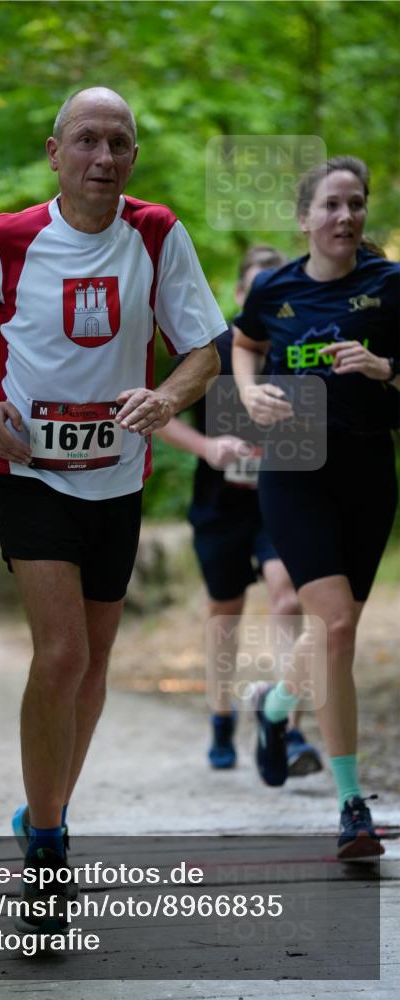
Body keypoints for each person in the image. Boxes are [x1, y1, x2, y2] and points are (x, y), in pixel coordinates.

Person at [0, 87, 225, 923]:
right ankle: (51, 845)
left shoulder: (158, 234)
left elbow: (202, 348)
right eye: (87, 141)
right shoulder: (10, 237)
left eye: (119, 143)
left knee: (93, 669)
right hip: (28, 474)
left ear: (133, 155)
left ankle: (40, 811)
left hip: (117, 478)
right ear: (54, 151)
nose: (103, 158)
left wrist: (167, 398)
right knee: (59, 657)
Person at [232, 156, 399, 859]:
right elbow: (242, 344)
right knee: (332, 625)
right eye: (330, 205)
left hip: (365, 466)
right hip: (293, 464)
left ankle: (273, 709)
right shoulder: (274, 288)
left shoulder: (391, 284)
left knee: (340, 625)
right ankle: (350, 806)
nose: (344, 217)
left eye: (355, 204)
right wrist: (245, 393)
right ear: (304, 219)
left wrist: (384, 368)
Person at [156, 246, 322, 775]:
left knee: (289, 597)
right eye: (256, 289)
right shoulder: (216, 349)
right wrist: (208, 447)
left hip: (283, 503)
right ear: (238, 295)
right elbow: (158, 414)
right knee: (224, 616)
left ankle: (286, 731)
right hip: (220, 506)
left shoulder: (299, 344)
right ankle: (222, 716)